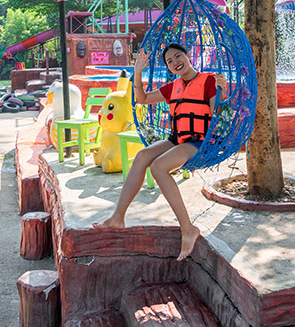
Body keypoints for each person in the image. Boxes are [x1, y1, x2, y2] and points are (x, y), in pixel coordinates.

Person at [93, 44, 227, 261]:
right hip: (178, 138)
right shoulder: (173, 87)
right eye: (170, 61)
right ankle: (118, 217)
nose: (175, 62)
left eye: (178, 56)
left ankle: (187, 228)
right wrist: (137, 72)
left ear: (187, 56)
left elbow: (217, 113)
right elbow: (142, 99)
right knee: (142, 157)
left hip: (200, 141)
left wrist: (222, 91)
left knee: (158, 167)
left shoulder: (209, 80)